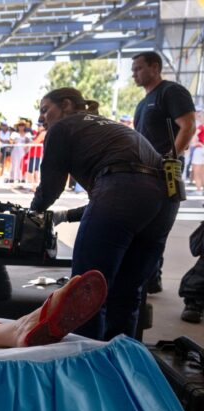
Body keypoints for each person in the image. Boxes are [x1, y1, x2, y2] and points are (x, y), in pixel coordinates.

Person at [31, 87, 179, 341]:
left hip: (122, 191)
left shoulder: (63, 127)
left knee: (86, 290)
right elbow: (127, 192)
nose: (42, 118)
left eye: (45, 110)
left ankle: (84, 365)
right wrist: (65, 215)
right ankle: (119, 362)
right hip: (166, 197)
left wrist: (32, 213)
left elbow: (51, 188)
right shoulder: (110, 127)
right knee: (127, 293)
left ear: (66, 105)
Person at [132, 51, 196, 294]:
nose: (134, 74)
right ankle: (150, 277)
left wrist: (169, 159)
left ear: (155, 67)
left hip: (164, 172)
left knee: (155, 229)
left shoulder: (171, 92)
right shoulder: (143, 102)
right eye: (133, 70)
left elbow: (188, 125)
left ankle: (150, 278)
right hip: (145, 172)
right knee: (143, 228)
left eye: (138, 68)